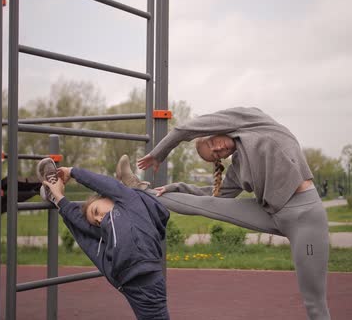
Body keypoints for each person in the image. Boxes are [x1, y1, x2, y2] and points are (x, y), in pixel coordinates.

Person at [116, 107, 331, 320]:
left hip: (305, 217)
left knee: (314, 301)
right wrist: (175, 187)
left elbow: (184, 129)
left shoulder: (252, 120)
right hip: (270, 212)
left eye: (212, 144)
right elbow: (215, 196)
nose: (219, 149)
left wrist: (158, 154)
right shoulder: (238, 169)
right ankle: (140, 189)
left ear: (214, 131)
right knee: (206, 205)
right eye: (216, 154)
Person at [37, 158, 171, 320]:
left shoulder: (129, 203)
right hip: (125, 280)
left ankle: (57, 198)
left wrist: (72, 172)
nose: (99, 220)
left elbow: (103, 184)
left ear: (108, 197)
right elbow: (84, 226)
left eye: (96, 212)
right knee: (85, 236)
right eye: (96, 221)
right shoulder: (107, 228)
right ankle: (58, 199)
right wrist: (62, 198)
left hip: (145, 276)